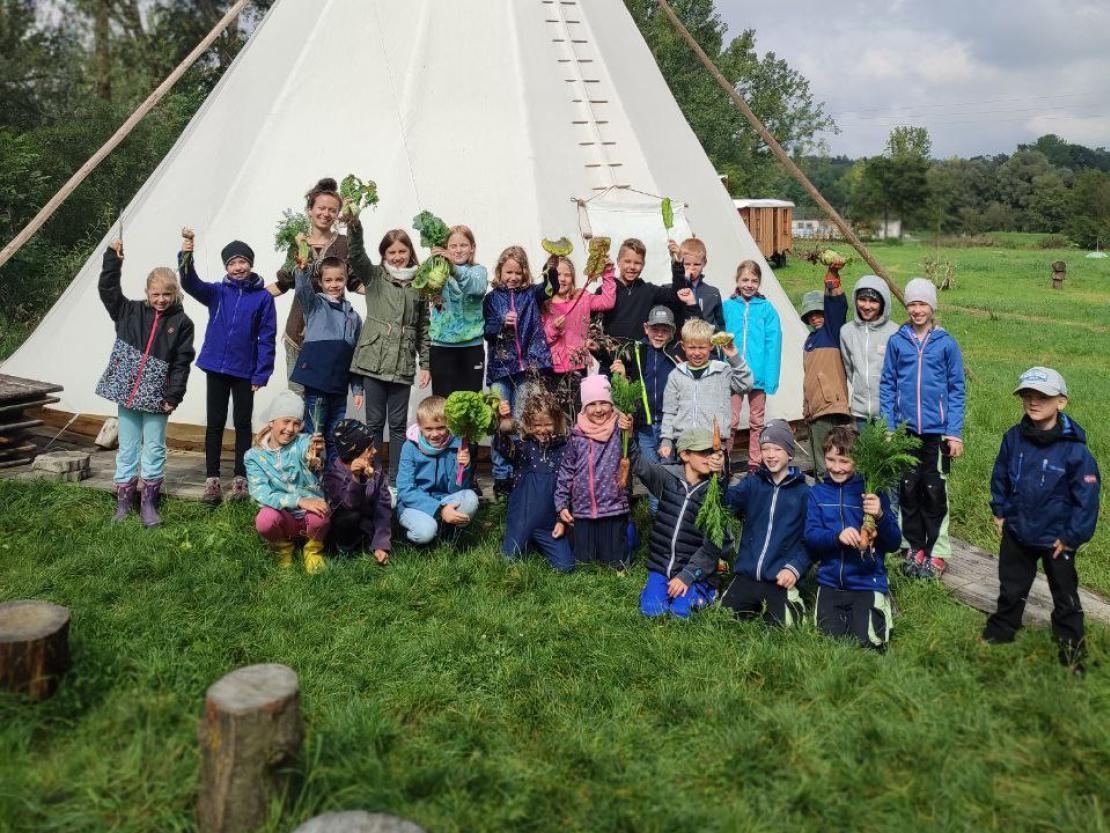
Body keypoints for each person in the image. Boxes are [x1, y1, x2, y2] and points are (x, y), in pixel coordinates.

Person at [982, 368, 1101, 672]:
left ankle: (1071, 654)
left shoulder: (1076, 451)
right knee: (1011, 588)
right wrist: (1000, 510)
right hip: (1018, 530)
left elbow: (1087, 500)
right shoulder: (1013, 438)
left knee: (1065, 598)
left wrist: (1072, 536)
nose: (1033, 403)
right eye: (1027, 396)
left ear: (1061, 402)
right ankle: (1001, 633)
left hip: (1057, 539)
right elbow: (1000, 477)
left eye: (1043, 397)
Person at [96, 239, 195, 527]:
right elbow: (108, 290)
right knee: (127, 447)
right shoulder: (129, 311)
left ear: (175, 293)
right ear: (146, 293)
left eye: (167, 294)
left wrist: (173, 396)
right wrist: (113, 260)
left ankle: (149, 502)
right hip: (127, 393)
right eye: (156, 294)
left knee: (153, 447)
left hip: (157, 396)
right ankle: (123, 503)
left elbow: (181, 363)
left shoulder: (182, 322)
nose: (161, 299)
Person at [180, 231, 276, 505]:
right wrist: (186, 254)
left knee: (243, 423)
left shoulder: (263, 298)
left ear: (250, 264)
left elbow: (267, 337)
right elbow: (189, 282)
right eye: (232, 263)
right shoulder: (217, 293)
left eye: (242, 262)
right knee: (215, 423)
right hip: (216, 368)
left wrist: (262, 372)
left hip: (245, 371)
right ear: (226, 268)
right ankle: (212, 479)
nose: (238, 268)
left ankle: (240, 478)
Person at [880, 277, 965, 578]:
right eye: (912, 304)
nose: (917, 310)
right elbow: (888, 385)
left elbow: (956, 389)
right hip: (905, 430)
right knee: (908, 488)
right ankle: (913, 545)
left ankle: (937, 549)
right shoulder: (897, 341)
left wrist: (953, 432)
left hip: (936, 431)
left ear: (931, 307)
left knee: (934, 490)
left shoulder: (946, 343)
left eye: (922, 304)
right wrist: (890, 426)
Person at [347, 217, 431, 486]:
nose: (397, 257)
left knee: (397, 426)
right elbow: (355, 254)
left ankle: (394, 479)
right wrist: (354, 225)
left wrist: (425, 363)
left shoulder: (420, 283)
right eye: (391, 252)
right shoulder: (373, 276)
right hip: (374, 360)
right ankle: (372, 475)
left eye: (402, 251)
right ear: (384, 254)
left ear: (410, 253)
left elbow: (423, 327)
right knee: (373, 424)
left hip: (402, 363)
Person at [805, 426, 901, 651]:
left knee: (870, 643)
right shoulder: (817, 494)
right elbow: (811, 537)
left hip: (866, 581)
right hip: (830, 582)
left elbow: (894, 542)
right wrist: (836, 537)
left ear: (856, 461)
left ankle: (882, 603)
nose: (836, 468)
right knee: (831, 645)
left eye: (844, 461)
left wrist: (880, 515)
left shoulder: (872, 491)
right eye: (830, 460)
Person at [268, 177, 360, 394]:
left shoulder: (344, 244)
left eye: (332, 210)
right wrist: (248, 295)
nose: (326, 214)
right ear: (310, 210)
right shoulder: (298, 242)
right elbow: (284, 283)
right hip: (298, 329)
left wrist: (390, 289)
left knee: (323, 395)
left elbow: (355, 283)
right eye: (321, 208)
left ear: (338, 214)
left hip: (332, 330)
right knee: (296, 394)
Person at [715, 421, 810, 625]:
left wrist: (795, 568)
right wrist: (719, 476)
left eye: (777, 448)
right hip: (747, 575)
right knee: (724, 621)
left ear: (790, 453)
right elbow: (726, 503)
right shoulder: (752, 483)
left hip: (779, 577)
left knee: (783, 627)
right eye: (765, 449)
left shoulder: (804, 493)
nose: (771, 455)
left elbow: (810, 541)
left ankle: (797, 601)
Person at [631, 424, 724, 618]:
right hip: (662, 567)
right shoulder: (667, 477)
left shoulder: (715, 491)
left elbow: (713, 546)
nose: (710, 458)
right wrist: (626, 433)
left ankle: (707, 591)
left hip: (694, 571)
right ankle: (658, 588)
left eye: (712, 453)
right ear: (684, 455)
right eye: (703, 453)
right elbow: (639, 464)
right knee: (652, 610)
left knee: (680, 612)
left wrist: (687, 576)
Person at [483, 245, 555, 497]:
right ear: (500, 271)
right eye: (508, 272)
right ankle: (501, 475)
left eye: (518, 272)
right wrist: (502, 323)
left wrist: (552, 267)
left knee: (522, 421)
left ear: (525, 273)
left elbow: (550, 289)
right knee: (500, 422)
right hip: (501, 368)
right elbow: (488, 331)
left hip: (528, 366)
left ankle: (519, 471)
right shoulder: (491, 299)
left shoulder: (531, 294)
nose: (513, 277)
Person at [245, 390, 330, 573]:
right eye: (286, 421)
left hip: (309, 514)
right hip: (283, 516)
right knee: (265, 520)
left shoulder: (303, 442)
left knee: (321, 515)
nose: (290, 429)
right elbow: (261, 493)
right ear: (272, 422)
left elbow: (311, 454)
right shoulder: (254, 456)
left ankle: (312, 549)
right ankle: (283, 548)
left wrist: (317, 454)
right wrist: (299, 501)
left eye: (296, 424)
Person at [291, 253, 363, 468]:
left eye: (339, 280)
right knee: (315, 432)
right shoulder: (314, 305)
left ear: (345, 281)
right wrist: (302, 269)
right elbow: (302, 289)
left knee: (334, 433)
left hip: (339, 384)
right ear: (321, 282)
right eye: (328, 280)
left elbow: (355, 356)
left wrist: (357, 389)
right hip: (317, 381)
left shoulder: (354, 317)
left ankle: (333, 478)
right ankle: (310, 477)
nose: (334, 285)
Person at [609, 305, 682, 515]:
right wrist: (621, 373)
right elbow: (621, 383)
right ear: (646, 328)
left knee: (669, 471)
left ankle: (670, 517)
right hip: (645, 427)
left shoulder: (676, 353)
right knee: (651, 473)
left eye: (665, 330)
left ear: (673, 331)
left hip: (671, 426)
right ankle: (654, 516)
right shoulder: (635, 351)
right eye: (655, 329)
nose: (659, 334)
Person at [554, 375, 631, 570]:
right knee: (584, 561)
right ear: (584, 407)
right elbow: (566, 471)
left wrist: (628, 428)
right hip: (583, 509)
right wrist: (562, 504)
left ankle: (627, 540)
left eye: (604, 403)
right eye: (592, 404)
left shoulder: (618, 429)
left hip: (612, 506)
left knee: (614, 562)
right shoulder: (577, 435)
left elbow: (631, 446)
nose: (598, 409)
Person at [495, 394, 575, 572]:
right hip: (521, 522)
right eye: (537, 425)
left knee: (566, 567)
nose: (542, 429)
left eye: (548, 424)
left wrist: (561, 521)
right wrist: (503, 423)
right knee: (508, 560)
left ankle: (538, 543)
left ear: (557, 422)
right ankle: (524, 541)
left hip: (550, 525)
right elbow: (501, 446)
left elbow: (568, 488)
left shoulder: (564, 449)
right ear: (528, 425)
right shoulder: (523, 447)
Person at [659, 319, 752, 466]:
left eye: (702, 347)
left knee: (715, 486)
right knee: (686, 485)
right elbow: (670, 411)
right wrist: (666, 439)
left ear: (711, 346)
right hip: (685, 444)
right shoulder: (676, 375)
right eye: (692, 347)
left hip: (714, 443)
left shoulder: (722, 371)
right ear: (683, 346)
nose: (697, 353)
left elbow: (745, 385)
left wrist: (734, 356)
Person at [721, 259, 781, 473]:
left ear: (759, 283)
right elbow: (719, 337)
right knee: (732, 419)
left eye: (754, 280)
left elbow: (773, 344)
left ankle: (755, 461)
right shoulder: (727, 307)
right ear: (737, 281)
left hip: (758, 373)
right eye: (745, 279)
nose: (749, 284)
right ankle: (724, 459)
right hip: (734, 373)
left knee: (757, 420)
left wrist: (771, 378)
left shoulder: (766, 309)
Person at [594, 238, 692, 370]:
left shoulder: (648, 290)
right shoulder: (605, 290)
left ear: (643, 264)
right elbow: (588, 322)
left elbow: (677, 296)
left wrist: (678, 265)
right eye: (627, 261)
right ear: (618, 262)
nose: (632, 267)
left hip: (640, 362)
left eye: (637, 263)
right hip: (611, 362)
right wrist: (600, 351)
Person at [395, 395, 480, 546]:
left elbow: (456, 490)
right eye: (428, 429)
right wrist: (439, 510)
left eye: (441, 427)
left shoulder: (457, 446)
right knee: (425, 532)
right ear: (420, 426)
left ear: (449, 425)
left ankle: (448, 535)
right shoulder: (409, 447)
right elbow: (405, 490)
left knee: (471, 497)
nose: (435, 434)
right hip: (414, 504)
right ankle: (416, 534)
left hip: (444, 499)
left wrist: (464, 468)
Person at [541, 253, 615, 416]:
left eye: (567, 275)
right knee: (555, 413)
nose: (562, 279)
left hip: (577, 363)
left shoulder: (582, 297)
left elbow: (607, 301)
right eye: (558, 274)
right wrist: (553, 328)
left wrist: (607, 273)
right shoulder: (545, 304)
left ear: (573, 278)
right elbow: (540, 338)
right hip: (553, 366)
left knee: (576, 410)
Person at [799, 260, 851, 477]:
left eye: (819, 312)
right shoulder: (810, 340)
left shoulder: (832, 332)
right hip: (815, 410)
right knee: (820, 463)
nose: (815, 317)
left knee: (831, 463)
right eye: (811, 315)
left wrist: (832, 278)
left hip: (831, 407)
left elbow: (837, 305)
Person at [428, 225, 488, 398]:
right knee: (442, 405)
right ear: (446, 248)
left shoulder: (478, 272)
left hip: (471, 348)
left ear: (472, 248)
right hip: (441, 348)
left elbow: (476, 288)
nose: (458, 250)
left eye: (463, 245)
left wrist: (453, 268)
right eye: (453, 246)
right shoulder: (437, 272)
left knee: (471, 403)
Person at [322, 419, 391, 566]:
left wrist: (381, 544)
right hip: (344, 526)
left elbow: (383, 507)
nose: (375, 451)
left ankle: (368, 543)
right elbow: (349, 505)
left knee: (386, 508)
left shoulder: (376, 469)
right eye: (370, 448)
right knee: (350, 516)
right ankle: (344, 548)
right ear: (355, 452)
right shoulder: (333, 475)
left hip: (366, 525)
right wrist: (356, 479)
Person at [840, 275, 898, 432]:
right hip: (860, 413)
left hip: (888, 413)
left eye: (873, 301)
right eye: (862, 299)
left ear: (883, 303)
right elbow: (849, 367)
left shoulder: (894, 332)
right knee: (865, 455)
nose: (866, 306)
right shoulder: (847, 331)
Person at [669, 237, 723, 330]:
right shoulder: (670, 289)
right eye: (687, 264)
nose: (692, 268)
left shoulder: (713, 293)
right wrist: (684, 278)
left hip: (705, 341)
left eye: (697, 264)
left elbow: (720, 323)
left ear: (704, 263)